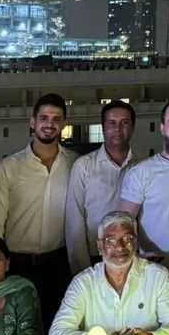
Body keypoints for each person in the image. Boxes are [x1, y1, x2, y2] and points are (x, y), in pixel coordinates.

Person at [0, 94, 78, 322]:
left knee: (56, 330)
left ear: (63, 125)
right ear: (32, 122)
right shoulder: (7, 168)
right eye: (44, 117)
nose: (50, 124)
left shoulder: (75, 164)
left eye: (56, 119)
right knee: (17, 329)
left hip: (58, 264)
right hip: (17, 264)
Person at [48, 213, 169, 335]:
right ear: (100, 247)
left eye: (127, 238)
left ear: (136, 244)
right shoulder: (83, 283)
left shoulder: (158, 276)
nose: (120, 247)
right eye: (111, 240)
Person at [118, 98, 169, 284]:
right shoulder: (141, 173)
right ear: (162, 128)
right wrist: (138, 255)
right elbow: (123, 223)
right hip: (155, 274)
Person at [66, 101, 140, 275]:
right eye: (111, 123)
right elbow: (74, 222)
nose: (118, 128)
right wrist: (82, 270)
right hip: (94, 257)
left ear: (133, 127)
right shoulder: (84, 166)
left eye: (124, 122)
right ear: (103, 127)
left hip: (130, 256)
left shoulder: (142, 166)